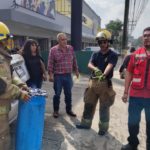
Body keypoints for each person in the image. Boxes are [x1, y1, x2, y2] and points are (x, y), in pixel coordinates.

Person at [76, 30, 118, 136]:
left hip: (105, 84)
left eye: (104, 42)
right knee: (88, 104)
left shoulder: (113, 54)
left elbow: (110, 65)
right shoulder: (95, 54)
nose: (102, 44)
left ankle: (103, 128)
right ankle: (85, 124)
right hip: (92, 83)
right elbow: (89, 64)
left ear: (108, 42)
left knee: (104, 107)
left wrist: (103, 74)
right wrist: (96, 69)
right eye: (100, 42)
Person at [0, 21, 30, 150]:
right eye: (5, 39)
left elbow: (10, 75)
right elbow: (1, 86)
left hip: (2, 108)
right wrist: (19, 93)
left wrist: (21, 84)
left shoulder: (3, 56)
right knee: (2, 138)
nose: (8, 42)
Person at [121, 27, 150, 150]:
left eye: (149, 35)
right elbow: (129, 73)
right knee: (132, 122)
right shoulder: (136, 54)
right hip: (136, 95)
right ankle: (133, 143)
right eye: (145, 35)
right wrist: (125, 92)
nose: (147, 37)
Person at [47, 33, 79, 118]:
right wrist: (50, 75)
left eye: (65, 39)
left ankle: (69, 110)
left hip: (68, 75)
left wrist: (76, 70)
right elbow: (50, 63)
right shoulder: (53, 50)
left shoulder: (70, 48)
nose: (65, 41)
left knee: (68, 94)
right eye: (62, 39)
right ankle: (56, 110)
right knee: (57, 94)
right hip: (58, 76)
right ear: (58, 41)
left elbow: (74, 60)